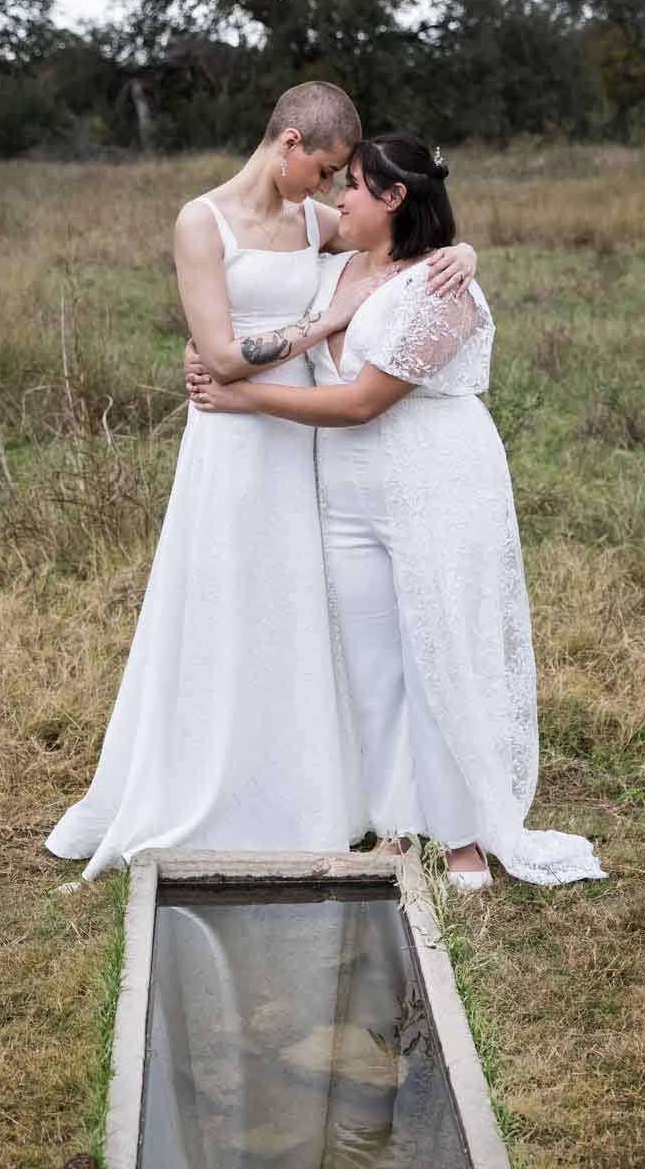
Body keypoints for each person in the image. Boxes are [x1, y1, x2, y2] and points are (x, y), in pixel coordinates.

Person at [45, 84, 476, 878]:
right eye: (323, 169)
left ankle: (311, 789)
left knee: (301, 608)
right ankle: (211, 782)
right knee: (226, 595)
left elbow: (398, 240)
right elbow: (218, 356)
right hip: (233, 439)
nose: (328, 189)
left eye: (340, 176)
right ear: (287, 143)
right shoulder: (200, 221)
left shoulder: (315, 220)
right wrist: (321, 324)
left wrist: (463, 252)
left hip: (301, 438)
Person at [189, 131, 604, 891]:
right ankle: (397, 826)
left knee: (437, 654)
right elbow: (263, 303)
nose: (335, 197)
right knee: (372, 665)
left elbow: (360, 402)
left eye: (351, 185)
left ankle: (465, 838)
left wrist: (239, 395)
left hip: (438, 486)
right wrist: (223, 353)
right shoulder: (332, 269)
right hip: (344, 496)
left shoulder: (446, 286)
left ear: (394, 199)